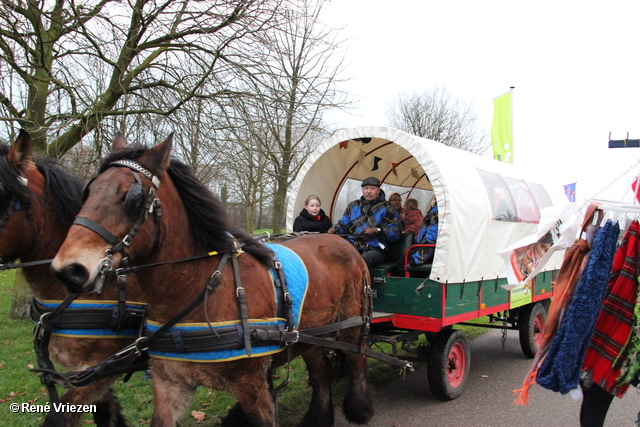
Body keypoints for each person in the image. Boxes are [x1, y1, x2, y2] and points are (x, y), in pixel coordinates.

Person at [328, 177, 401, 268]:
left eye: (372, 188)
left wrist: (377, 230)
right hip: (352, 246)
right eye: (366, 188)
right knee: (331, 255)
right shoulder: (353, 205)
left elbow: (396, 233)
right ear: (362, 190)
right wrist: (336, 229)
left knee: (361, 260)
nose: (368, 191)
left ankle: (359, 282)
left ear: (378, 190)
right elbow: (343, 224)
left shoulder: (388, 208)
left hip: (376, 249)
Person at [397, 198, 438, 271]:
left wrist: (417, 258)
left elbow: (432, 238)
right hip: (422, 244)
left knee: (401, 264)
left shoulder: (437, 212)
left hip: (426, 247)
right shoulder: (435, 209)